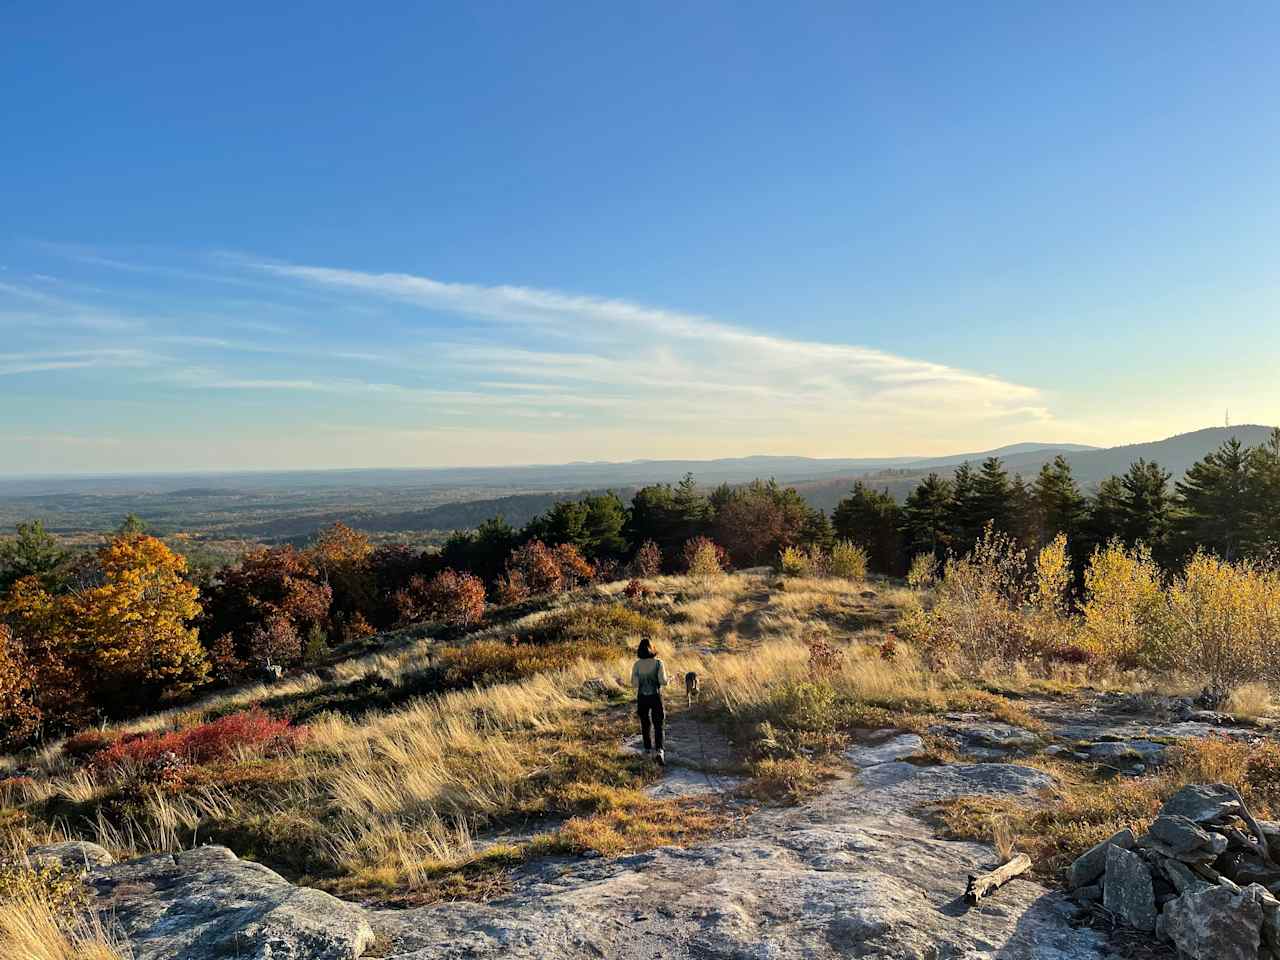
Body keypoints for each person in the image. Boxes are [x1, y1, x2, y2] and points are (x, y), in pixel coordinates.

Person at [631, 636, 668, 764]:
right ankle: (659, 751)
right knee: (658, 724)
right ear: (652, 648)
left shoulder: (637, 665)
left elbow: (634, 684)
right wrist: (669, 680)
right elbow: (663, 681)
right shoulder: (658, 663)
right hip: (656, 697)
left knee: (645, 724)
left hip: (642, 697)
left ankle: (647, 751)